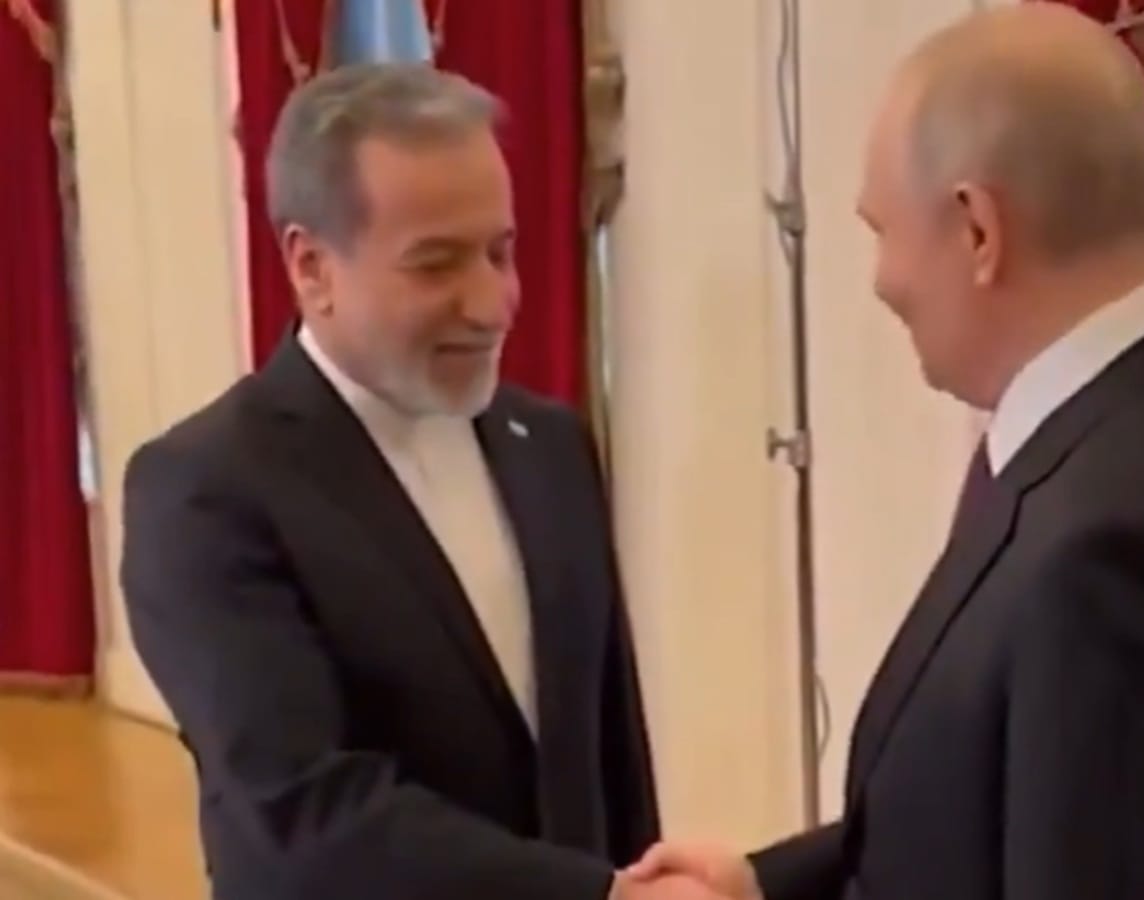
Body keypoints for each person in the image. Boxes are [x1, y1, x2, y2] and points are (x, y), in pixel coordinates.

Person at [626, 4, 1144, 899]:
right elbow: (979, 795)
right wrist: (762, 883)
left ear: (977, 231)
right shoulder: (1127, 428)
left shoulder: (1108, 550)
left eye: (881, 231)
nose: (881, 281)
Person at [120, 63, 709, 900]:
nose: (492, 303)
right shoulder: (206, 492)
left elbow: (610, 755)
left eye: (500, 251)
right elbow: (307, 811)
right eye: (436, 265)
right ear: (311, 267)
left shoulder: (550, 445)